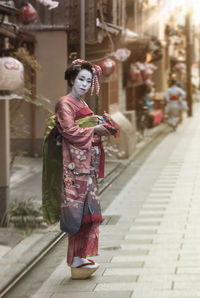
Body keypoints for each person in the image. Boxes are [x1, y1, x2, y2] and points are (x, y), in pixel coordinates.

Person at [42, 59, 114, 280]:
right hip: (74, 166)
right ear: (72, 79)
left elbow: (84, 126)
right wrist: (95, 130)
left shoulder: (81, 103)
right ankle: (75, 258)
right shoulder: (65, 103)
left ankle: (80, 256)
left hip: (86, 164)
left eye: (89, 80)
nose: (84, 84)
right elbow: (70, 131)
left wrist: (102, 124)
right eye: (81, 79)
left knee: (88, 213)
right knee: (77, 213)